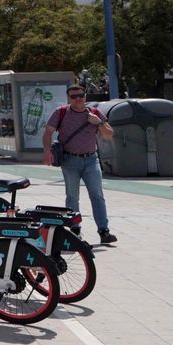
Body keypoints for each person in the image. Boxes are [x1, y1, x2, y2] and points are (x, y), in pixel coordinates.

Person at [41, 84, 117, 244]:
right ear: (69, 98)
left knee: (97, 195)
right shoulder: (61, 112)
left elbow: (109, 135)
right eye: (73, 96)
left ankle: (104, 231)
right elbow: (48, 131)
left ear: (85, 97)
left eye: (80, 95)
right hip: (70, 160)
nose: (77, 99)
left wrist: (98, 123)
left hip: (91, 160)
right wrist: (47, 151)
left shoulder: (95, 113)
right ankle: (75, 230)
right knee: (72, 196)